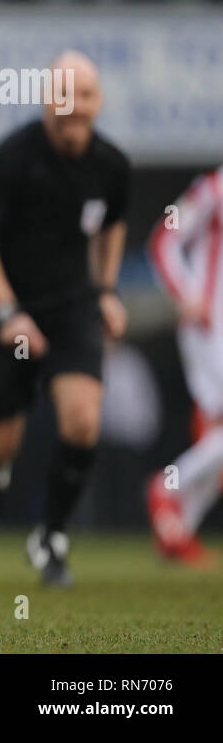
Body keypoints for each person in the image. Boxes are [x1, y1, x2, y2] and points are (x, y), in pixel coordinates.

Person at [0, 51, 130, 586]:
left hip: (71, 305)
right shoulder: (11, 159)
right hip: (6, 308)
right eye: (64, 95)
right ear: (45, 100)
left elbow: (112, 227)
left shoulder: (111, 165)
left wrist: (104, 290)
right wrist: (10, 313)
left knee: (82, 419)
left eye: (84, 96)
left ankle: (50, 534)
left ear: (98, 102)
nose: (74, 106)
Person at [146, 166, 223, 564]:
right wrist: (189, 294)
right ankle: (167, 488)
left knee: (216, 438)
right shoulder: (213, 188)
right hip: (212, 327)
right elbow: (164, 239)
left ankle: (178, 531)